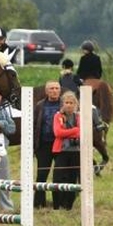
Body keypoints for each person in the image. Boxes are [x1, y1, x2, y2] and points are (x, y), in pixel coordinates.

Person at [33, 80, 62, 208]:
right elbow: (34, 125)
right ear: (46, 91)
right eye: (51, 88)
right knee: (42, 175)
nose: (54, 91)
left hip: (61, 145)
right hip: (44, 144)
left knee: (60, 175)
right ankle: (39, 203)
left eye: (56, 88)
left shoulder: (65, 104)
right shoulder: (39, 105)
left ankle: (59, 203)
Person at [52, 91, 81, 210]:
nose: (69, 105)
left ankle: (68, 205)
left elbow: (81, 131)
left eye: (71, 102)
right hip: (61, 151)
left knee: (72, 178)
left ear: (75, 104)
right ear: (62, 104)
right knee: (58, 177)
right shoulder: (58, 116)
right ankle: (57, 205)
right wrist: (74, 131)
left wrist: (71, 132)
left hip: (75, 151)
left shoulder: (78, 116)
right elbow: (58, 133)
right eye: (66, 102)